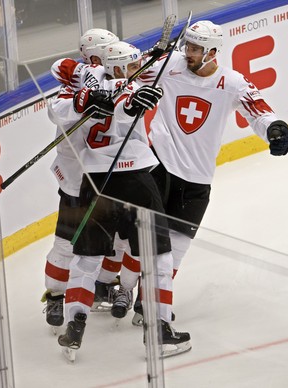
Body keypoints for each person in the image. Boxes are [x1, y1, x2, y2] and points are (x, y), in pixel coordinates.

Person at [127, 20, 288, 325]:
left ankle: (146, 301)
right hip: (160, 164)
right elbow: (128, 70)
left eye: (195, 48)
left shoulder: (232, 83)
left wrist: (275, 129)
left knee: (176, 249)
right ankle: (125, 289)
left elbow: (259, 112)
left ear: (213, 52)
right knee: (143, 238)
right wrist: (151, 53)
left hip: (198, 178)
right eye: (187, 46)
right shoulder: (169, 65)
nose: (187, 52)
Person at [54, 41, 190, 360]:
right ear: (116, 68)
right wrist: (130, 104)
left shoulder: (88, 82)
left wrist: (83, 99)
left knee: (86, 259)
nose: (136, 72)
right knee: (159, 256)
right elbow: (126, 101)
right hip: (133, 180)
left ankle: (74, 326)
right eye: (130, 67)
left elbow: (59, 106)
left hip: (93, 182)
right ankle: (159, 331)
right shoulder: (125, 86)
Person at [42, 28, 122, 332]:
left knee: (114, 243)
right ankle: (55, 295)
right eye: (109, 51)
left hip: (109, 176)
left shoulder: (119, 78)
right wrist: (83, 99)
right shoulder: (79, 80)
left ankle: (103, 286)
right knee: (65, 245)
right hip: (77, 177)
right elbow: (56, 109)